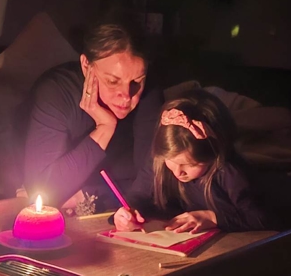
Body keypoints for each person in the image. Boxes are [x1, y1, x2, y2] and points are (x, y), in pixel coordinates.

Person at [23, 17, 164, 209]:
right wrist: (104, 128)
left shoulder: (149, 93)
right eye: (113, 81)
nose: (126, 96)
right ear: (86, 65)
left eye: (136, 82)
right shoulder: (56, 93)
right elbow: (43, 192)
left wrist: (89, 194)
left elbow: (152, 182)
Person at [114, 89, 269, 233]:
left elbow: (262, 219)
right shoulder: (159, 160)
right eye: (170, 160)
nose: (177, 172)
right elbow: (137, 197)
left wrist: (213, 217)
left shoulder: (229, 172)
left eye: (190, 164)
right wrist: (126, 214)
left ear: (213, 153)